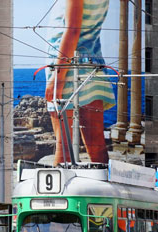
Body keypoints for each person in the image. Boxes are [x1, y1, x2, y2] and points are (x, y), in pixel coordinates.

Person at [45, 0, 116, 165]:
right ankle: (103, 190)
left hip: (67, 68)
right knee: (97, 146)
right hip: (93, 66)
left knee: (63, 149)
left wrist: (58, 77)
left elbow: (72, 30)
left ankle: (59, 191)